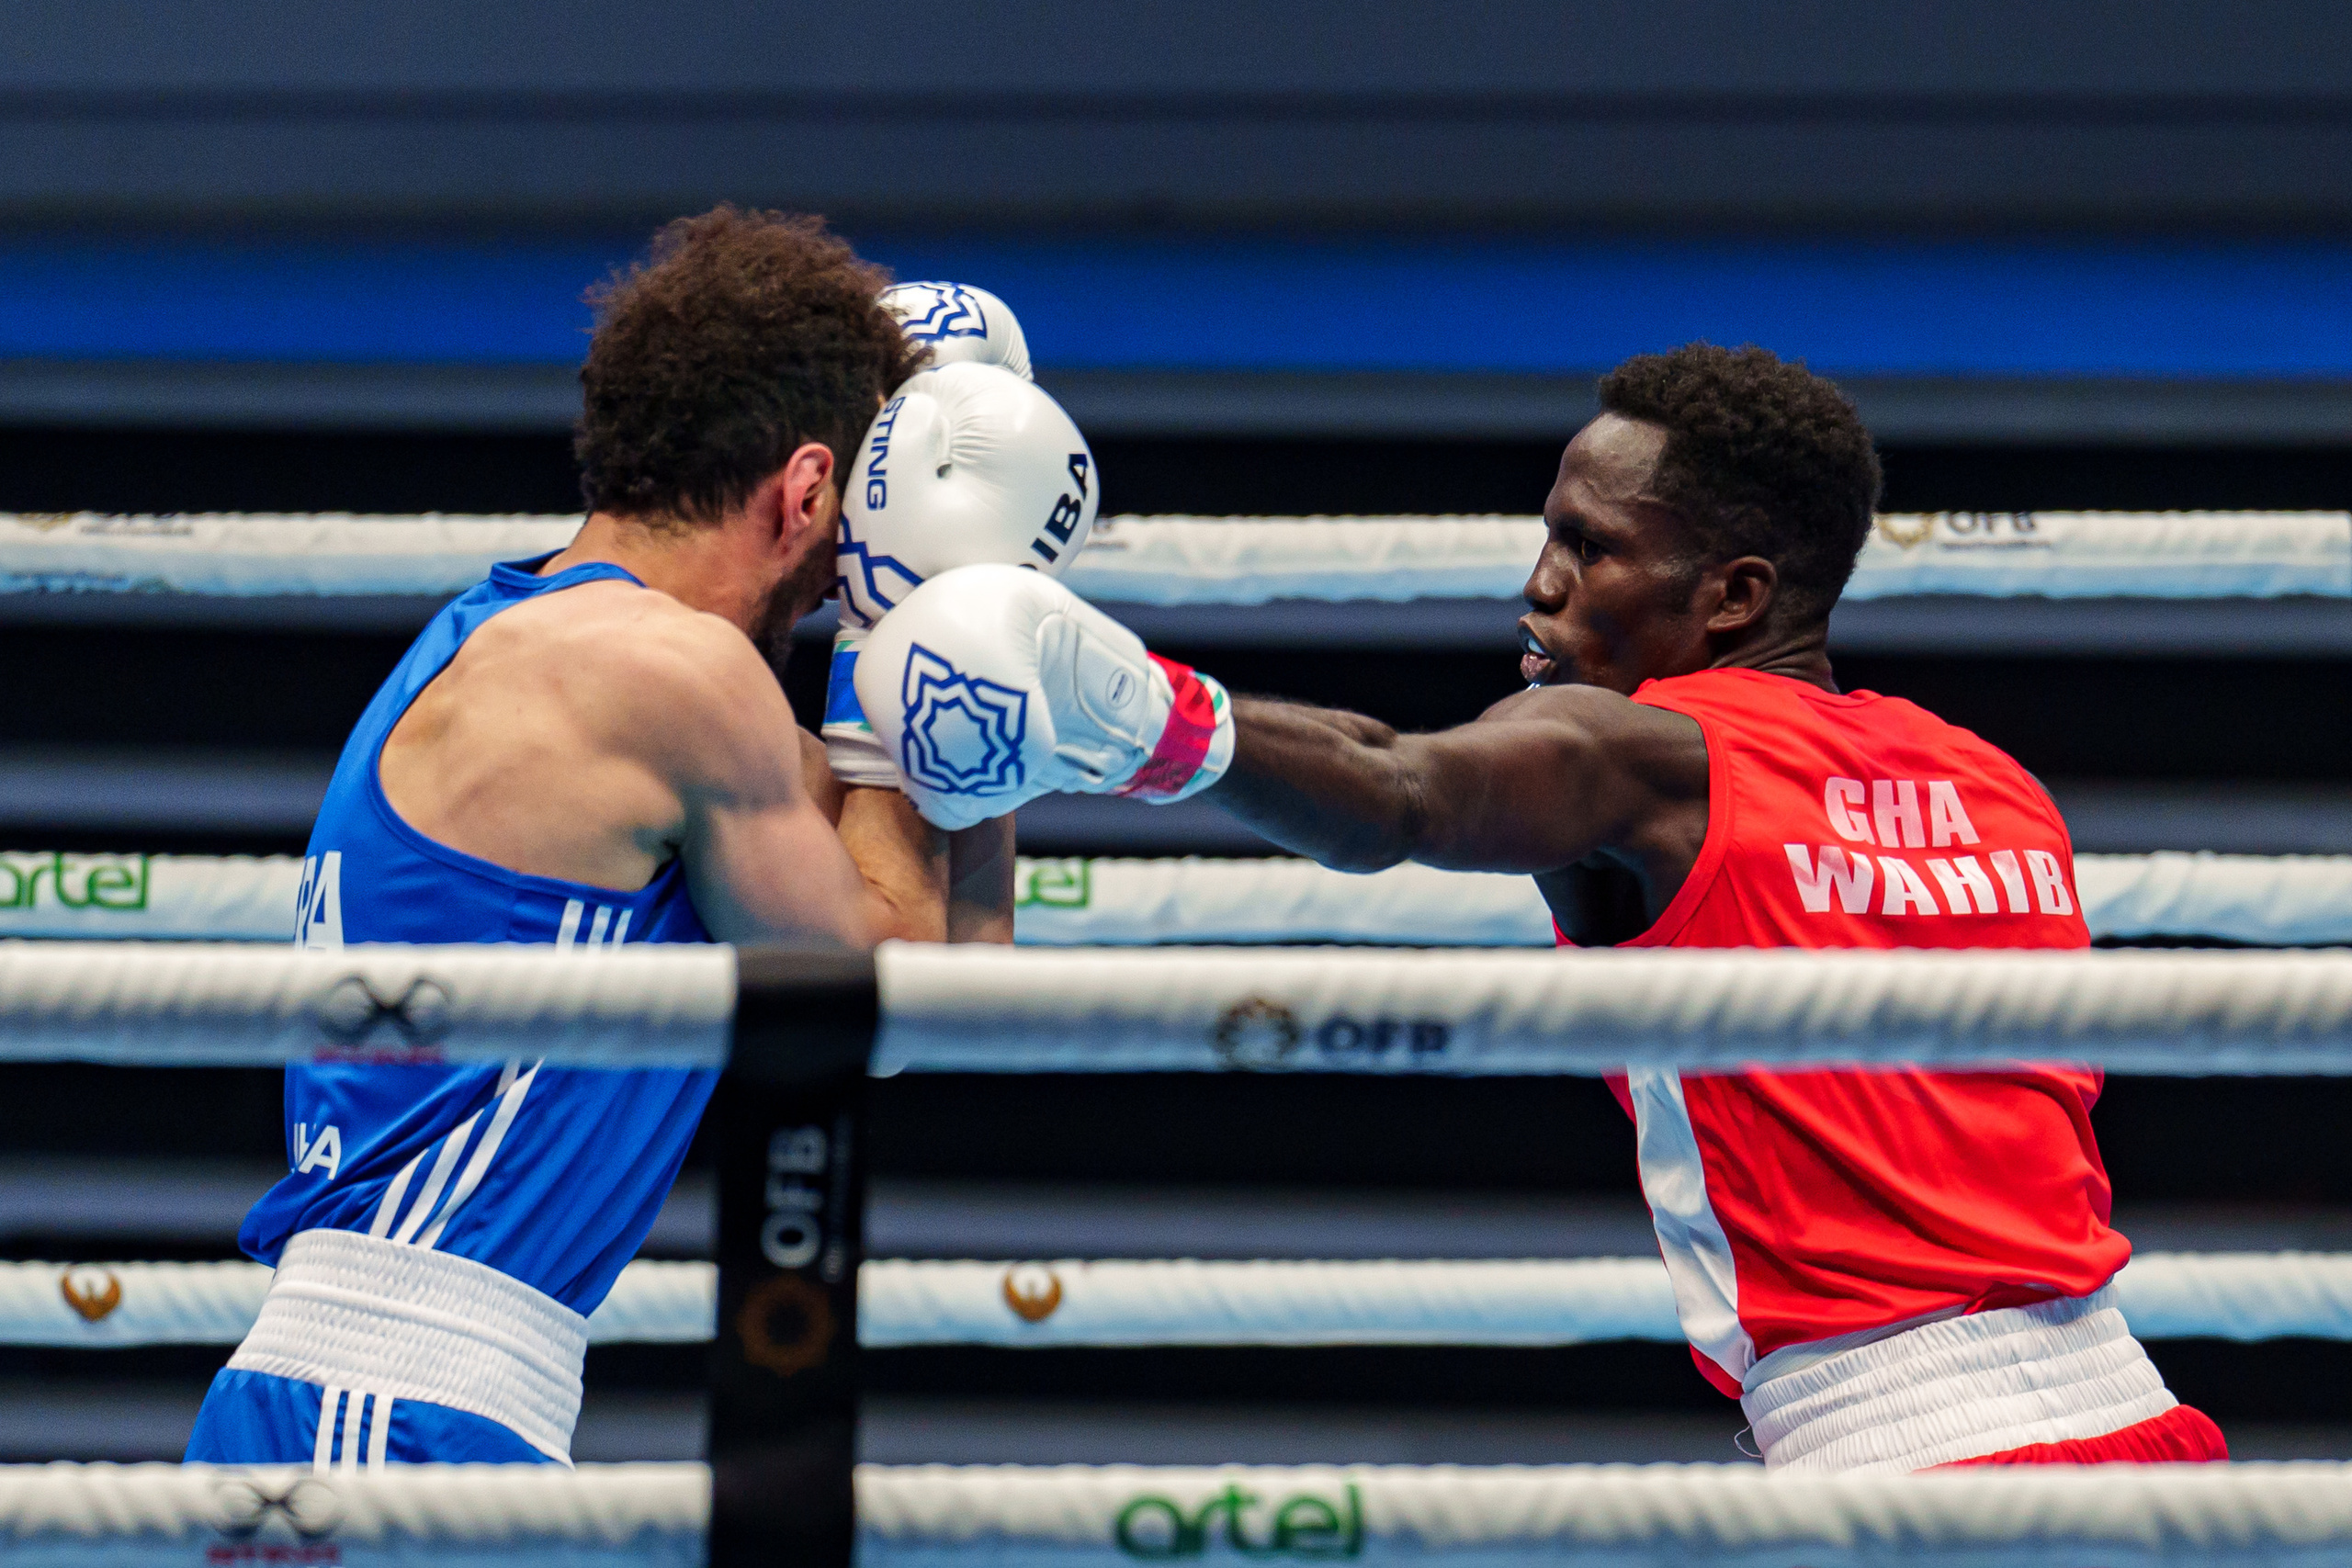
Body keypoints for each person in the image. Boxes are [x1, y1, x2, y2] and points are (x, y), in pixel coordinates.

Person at [851, 343, 2228, 1472]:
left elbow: (1400, 789)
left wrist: (1140, 710)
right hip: (2146, 1430)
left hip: (1906, 1463)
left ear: (1733, 595)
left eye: (1591, 548)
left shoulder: (1649, 758)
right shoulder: (1990, 781)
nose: (1540, 585)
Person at [184, 209, 1070, 1468]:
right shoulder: (666, 678)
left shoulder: (580, 658)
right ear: (811, 489)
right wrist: (918, 602)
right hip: (393, 1402)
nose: (841, 585)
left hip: (421, 1403)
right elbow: (897, 991)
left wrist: (964, 641)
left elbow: (945, 976)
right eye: (851, 549)